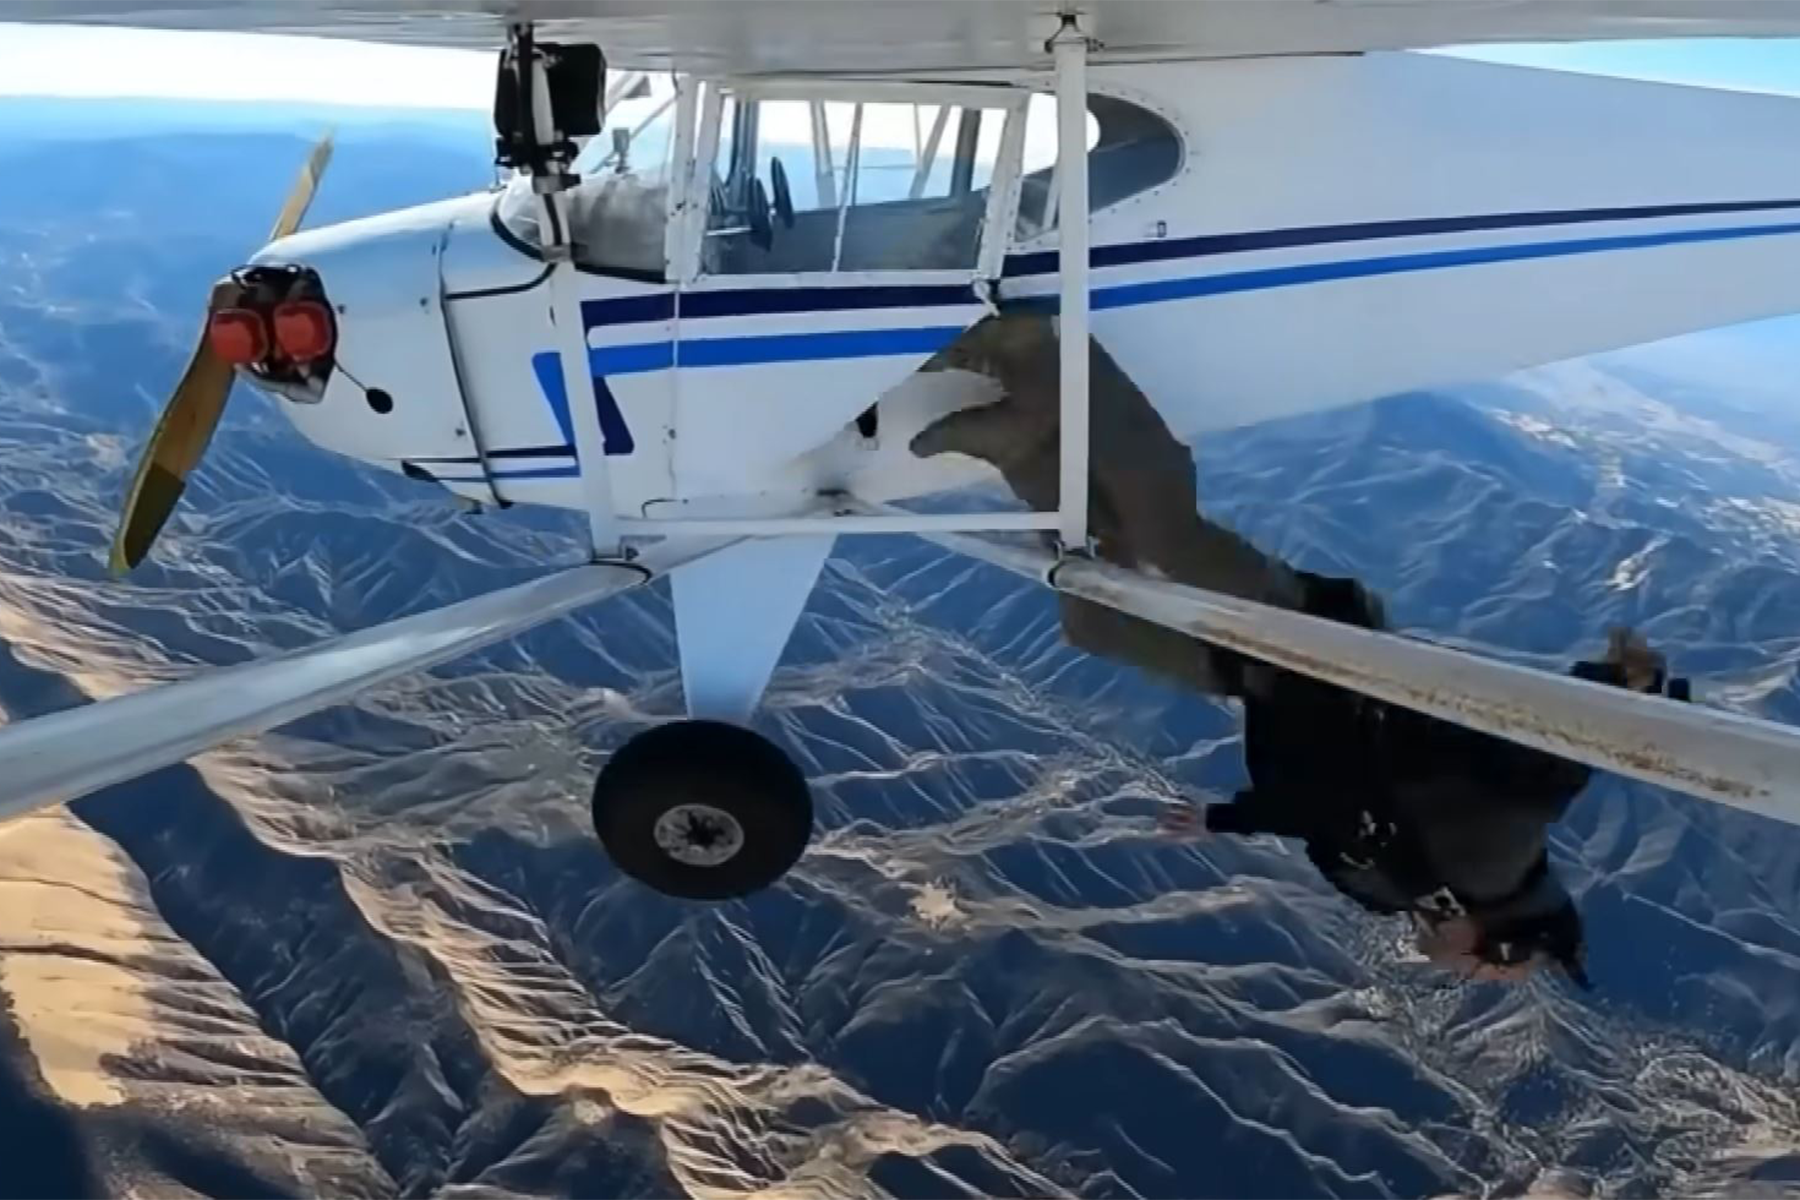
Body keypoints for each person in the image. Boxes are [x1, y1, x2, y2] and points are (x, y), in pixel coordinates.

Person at [912, 313, 1676, 986]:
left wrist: (1224, 820)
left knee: (1097, 619)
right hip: (1320, 642)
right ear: (1499, 946)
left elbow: (1322, 810)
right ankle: (1037, 351)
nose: (1462, 975)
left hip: (1278, 687)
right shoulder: (1490, 857)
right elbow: (1550, 767)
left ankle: (1024, 449)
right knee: (1171, 540)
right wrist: (1635, 695)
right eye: (1493, 976)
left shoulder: (1413, 890)